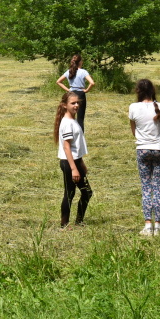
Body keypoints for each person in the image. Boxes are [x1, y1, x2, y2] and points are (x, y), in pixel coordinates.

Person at [129, 79, 160, 236]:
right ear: (153, 91)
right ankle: (158, 226)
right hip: (159, 149)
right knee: (157, 186)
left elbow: (133, 130)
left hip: (142, 149)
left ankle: (147, 225)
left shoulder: (133, 107)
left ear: (138, 91)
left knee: (146, 187)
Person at [54, 91, 93, 229]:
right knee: (75, 193)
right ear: (65, 105)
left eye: (77, 103)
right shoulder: (67, 123)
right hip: (69, 163)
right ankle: (66, 224)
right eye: (73, 103)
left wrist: (81, 163)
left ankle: (76, 222)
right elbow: (67, 147)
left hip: (75, 162)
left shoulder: (72, 120)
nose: (76, 105)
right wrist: (74, 169)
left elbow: (76, 147)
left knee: (80, 192)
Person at [56, 54, 95, 131]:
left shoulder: (69, 71)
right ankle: (80, 136)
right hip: (80, 94)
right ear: (80, 62)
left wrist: (68, 90)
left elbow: (58, 81)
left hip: (71, 93)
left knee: (70, 116)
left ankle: (68, 131)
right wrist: (86, 90)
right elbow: (92, 83)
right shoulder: (83, 72)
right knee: (80, 118)